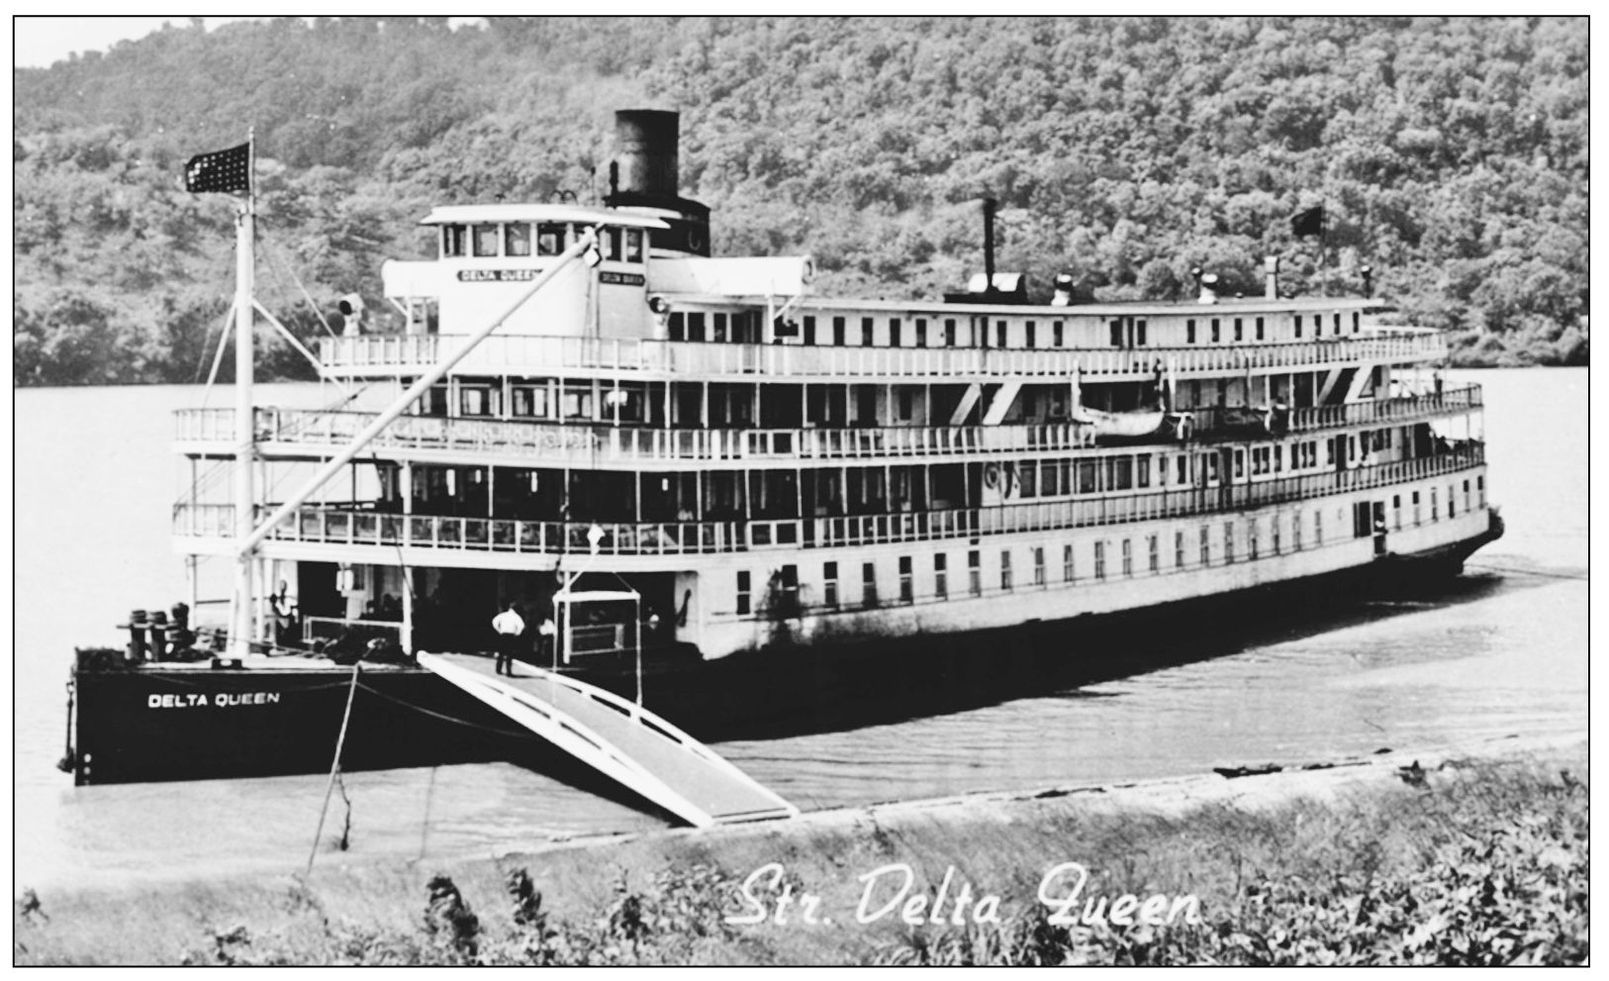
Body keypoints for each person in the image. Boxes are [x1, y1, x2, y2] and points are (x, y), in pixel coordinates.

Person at [491, 602, 526, 676]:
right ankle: (508, 671)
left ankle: (498, 670)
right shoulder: (516, 616)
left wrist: (499, 629)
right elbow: (521, 625)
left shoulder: (503, 615)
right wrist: (517, 633)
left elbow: (494, 621)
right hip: (511, 635)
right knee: (509, 654)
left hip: (503, 634)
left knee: (501, 653)